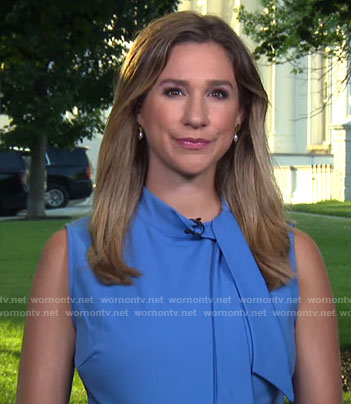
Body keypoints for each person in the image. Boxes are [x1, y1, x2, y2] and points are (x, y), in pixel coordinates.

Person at [17, 11, 342, 404]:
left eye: (217, 93)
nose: (196, 117)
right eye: (174, 91)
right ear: (138, 108)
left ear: (240, 113)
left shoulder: (295, 258)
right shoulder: (72, 256)